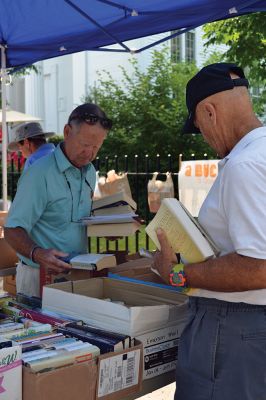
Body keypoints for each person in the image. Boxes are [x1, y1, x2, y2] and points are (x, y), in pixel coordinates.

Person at [153, 63, 266, 400]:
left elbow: (259, 266)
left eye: (199, 126)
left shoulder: (244, 166)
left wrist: (175, 272)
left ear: (209, 111)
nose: (203, 136)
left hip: (233, 329)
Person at [4, 103, 112, 297]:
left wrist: (111, 228)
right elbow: (12, 229)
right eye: (85, 144)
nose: (90, 153)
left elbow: (76, 220)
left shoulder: (89, 173)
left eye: (97, 147)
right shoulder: (39, 173)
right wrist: (37, 253)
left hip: (78, 273)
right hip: (39, 276)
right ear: (67, 132)